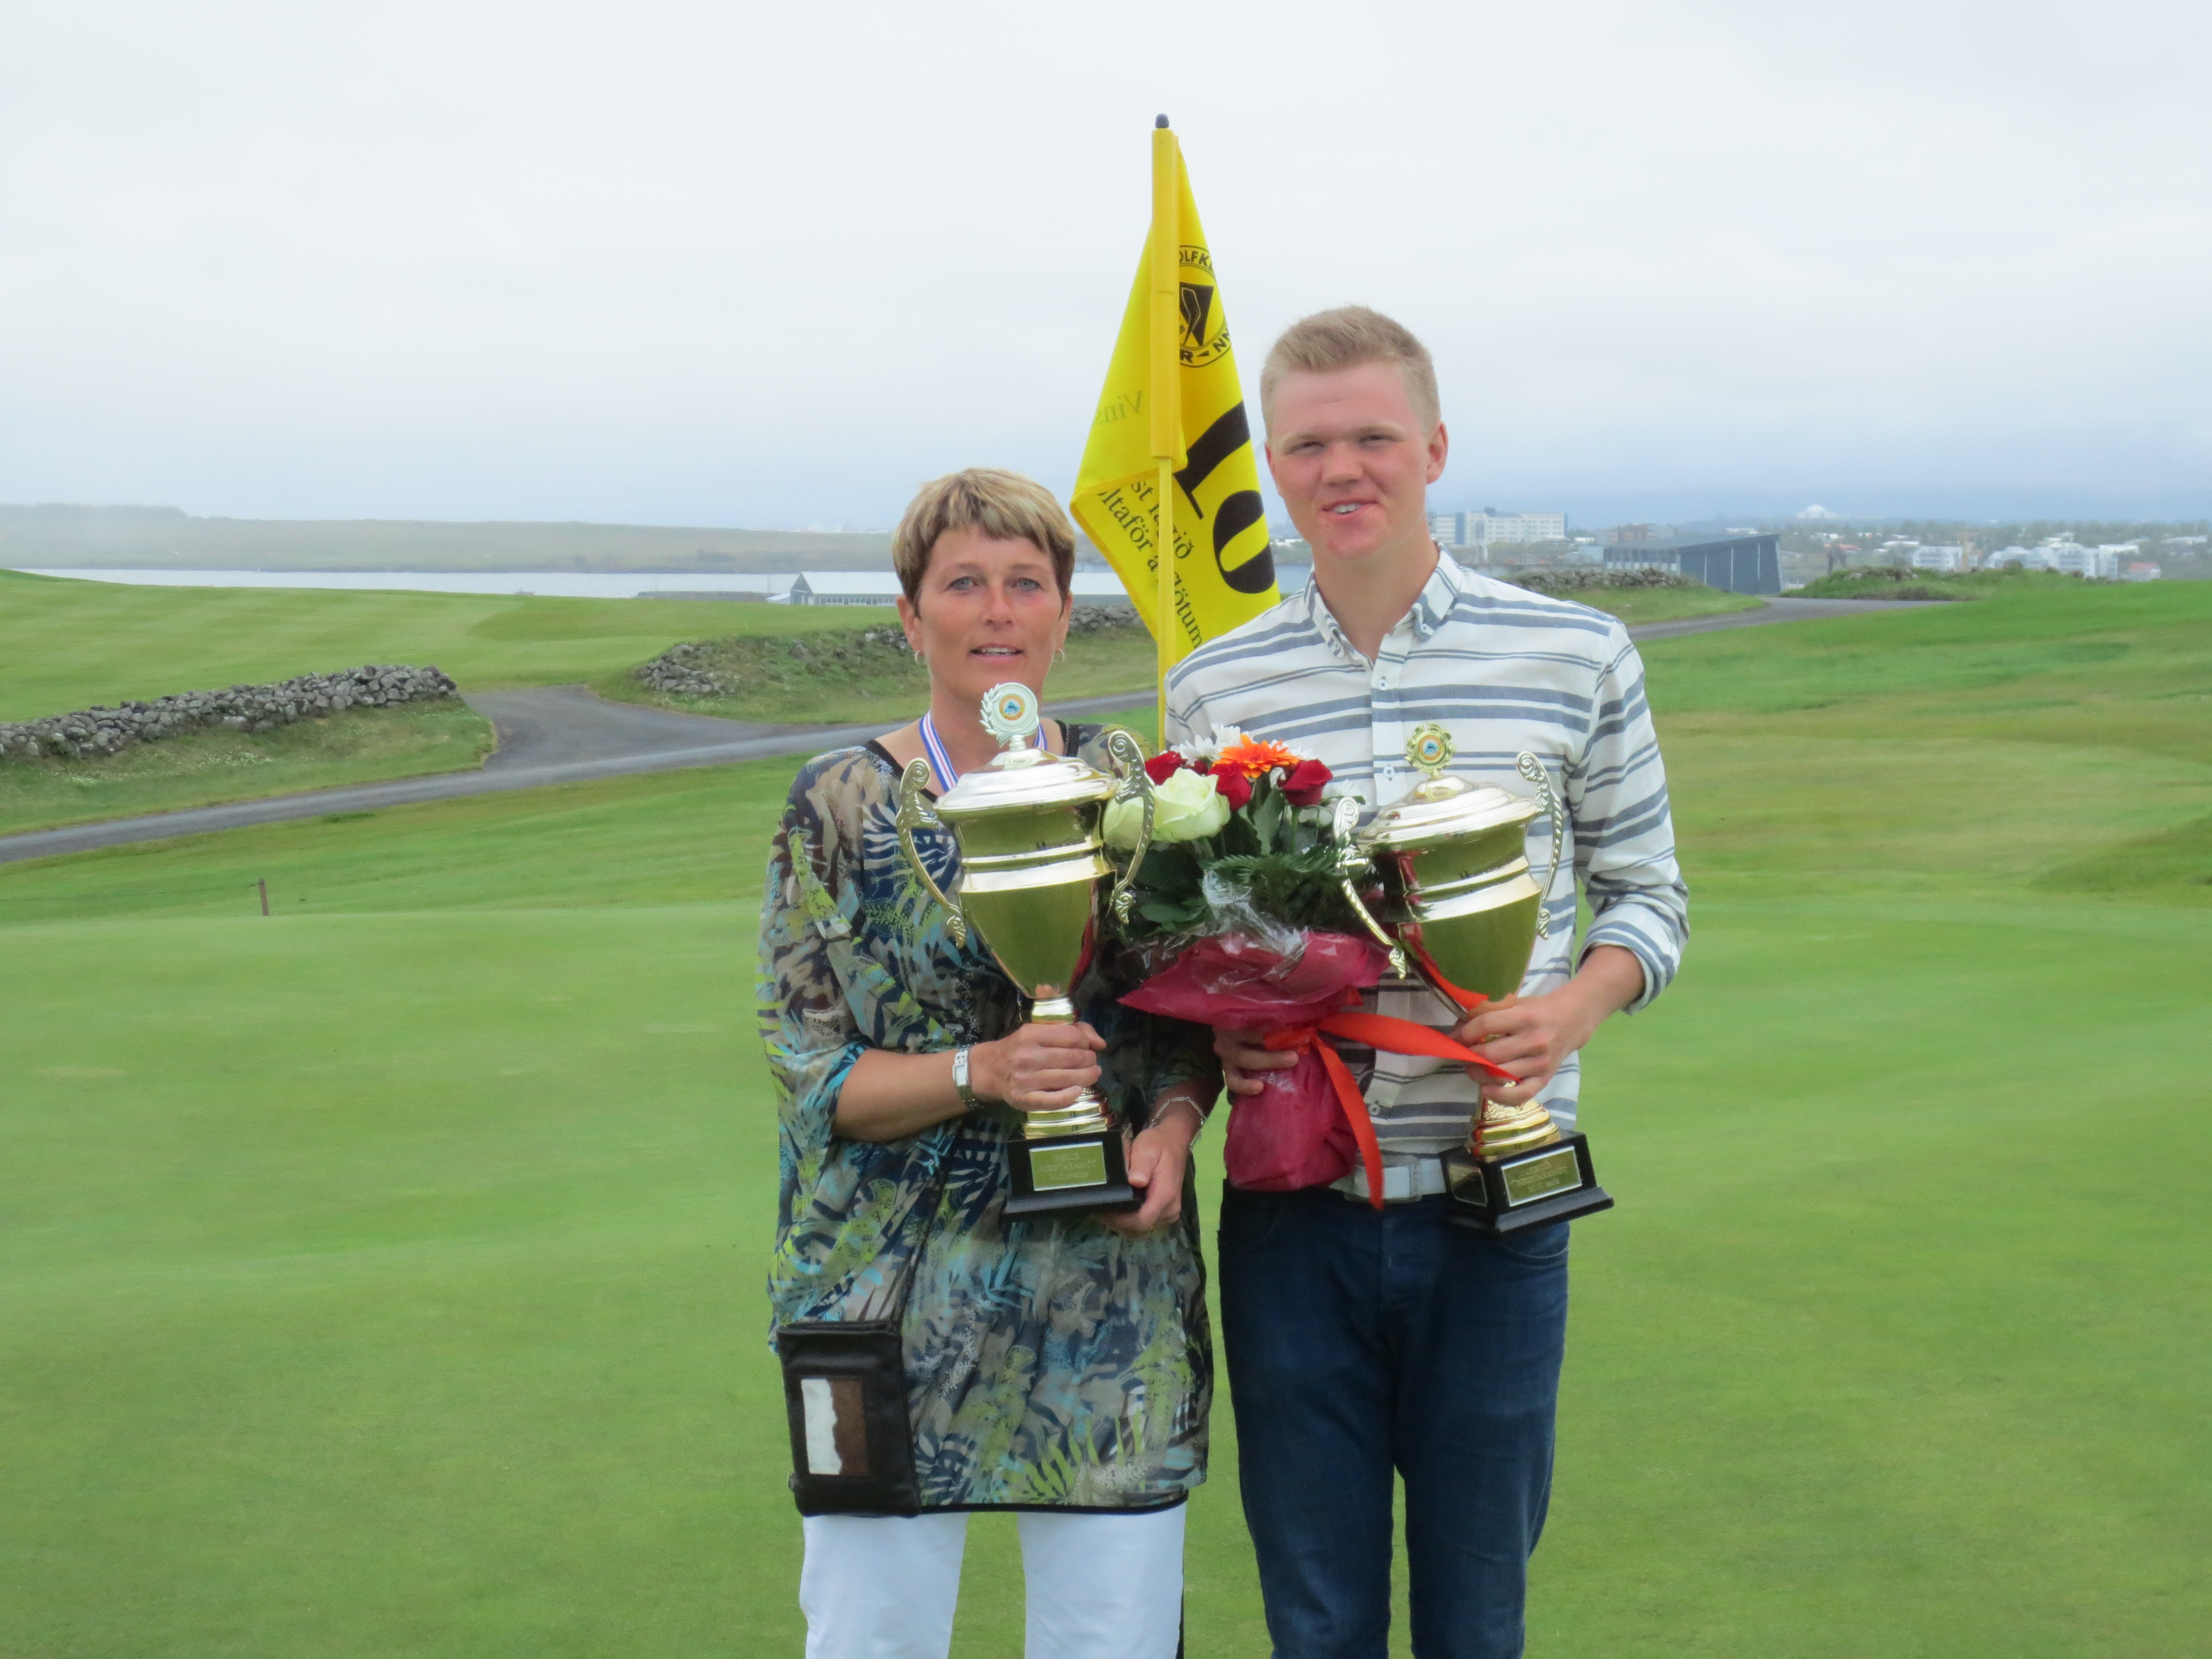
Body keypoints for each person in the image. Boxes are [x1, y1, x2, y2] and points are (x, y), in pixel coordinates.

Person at [1164, 309, 1689, 1659]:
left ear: (1436, 448)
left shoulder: (1577, 654)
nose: (1343, 469)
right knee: (1318, 1622)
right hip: (1294, 1215)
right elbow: (1196, 941)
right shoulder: (1215, 689)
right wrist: (1224, 1041)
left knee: (1476, 1620)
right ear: (1274, 469)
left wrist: (1569, 1009)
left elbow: (1650, 900)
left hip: (1498, 1209)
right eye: (1309, 446)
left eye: (1374, 438)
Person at [760, 467, 1215, 1659]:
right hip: (886, 1306)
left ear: (1065, 613)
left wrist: (1172, 1131)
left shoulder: (1137, 791)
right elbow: (815, 1077)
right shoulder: (839, 805)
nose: (999, 611)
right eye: (964, 583)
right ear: (912, 618)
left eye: (1028, 582)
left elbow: (1184, 1027)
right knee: (871, 1643)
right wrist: (986, 1072)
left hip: (1110, 1304)